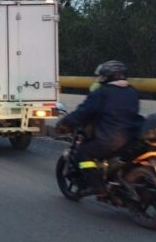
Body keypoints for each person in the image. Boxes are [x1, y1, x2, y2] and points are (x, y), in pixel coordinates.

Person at [56, 60, 144, 196]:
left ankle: (97, 187)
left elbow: (83, 112)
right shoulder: (132, 91)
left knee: (82, 154)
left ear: (107, 76)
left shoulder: (102, 92)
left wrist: (65, 123)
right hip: (131, 138)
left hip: (110, 139)